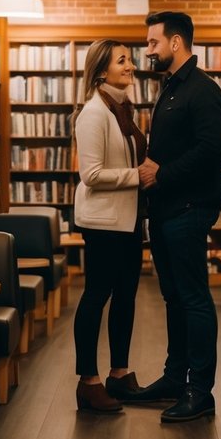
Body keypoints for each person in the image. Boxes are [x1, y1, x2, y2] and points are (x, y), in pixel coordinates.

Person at [127, 11, 221, 422]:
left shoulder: (203, 91)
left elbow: (211, 152)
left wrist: (161, 172)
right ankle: (174, 377)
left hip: (189, 209)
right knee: (173, 298)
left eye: (152, 43)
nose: (147, 50)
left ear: (175, 43)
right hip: (165, 209)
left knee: (194, 298)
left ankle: (200, 391)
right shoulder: (169, 89)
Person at [70, 39, 147, 413]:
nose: (131, 65)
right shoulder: (94, 114)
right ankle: (88, 382)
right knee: (96, 296)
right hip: (103, 222)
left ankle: (119, 373)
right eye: (122, 61)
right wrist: (139, 176)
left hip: (127, 220)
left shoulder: (121, 109)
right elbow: (92, 174)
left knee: (126, 297)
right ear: (102, 71)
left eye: (130, 59)